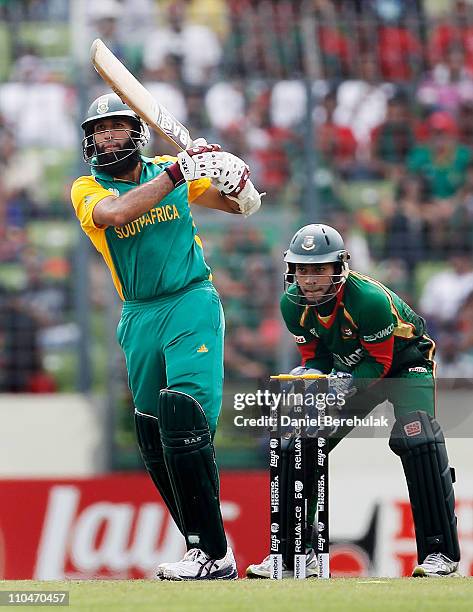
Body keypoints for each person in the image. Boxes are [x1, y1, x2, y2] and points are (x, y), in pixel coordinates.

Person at [71, 92, 263, 580]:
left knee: (184, 413)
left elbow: (242, 205)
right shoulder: (87, 189)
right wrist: (178, 172)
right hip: (138, 314)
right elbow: (118, 215)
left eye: (116, 127)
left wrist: (234, 181)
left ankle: (212, 555)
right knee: (151, 433)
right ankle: (205, 548)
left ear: (136, 132)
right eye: (99, 131)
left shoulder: (169, 168)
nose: (107, 137)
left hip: (189, 300)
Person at [246, 223, 460, 579]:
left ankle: (440, 555)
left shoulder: (368, 300)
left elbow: (381, 362)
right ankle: (293, 554)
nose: (310, 279)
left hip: (405, 364)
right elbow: (315, 358)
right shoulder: (291, 306)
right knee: (299, 443)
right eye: (302, 269)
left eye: (319, 269)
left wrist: (338, 384)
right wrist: (312, 379)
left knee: (417, 437)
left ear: (338, 268)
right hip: (350, 372)